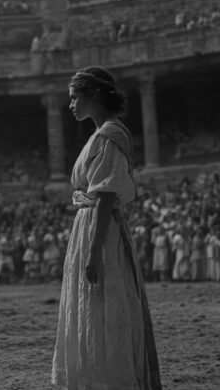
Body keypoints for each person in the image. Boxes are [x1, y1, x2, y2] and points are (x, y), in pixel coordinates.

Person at [52, 67, 161, 389]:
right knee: (90, 303)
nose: (71, 104)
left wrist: (94, 251)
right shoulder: (99, 135)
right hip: (88, 225)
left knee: (104, 301)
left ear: (94, 94)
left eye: (75, 97)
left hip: (99, 229)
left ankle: (108, 377)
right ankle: (92, 373)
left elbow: (105, 196)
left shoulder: (110, 135)